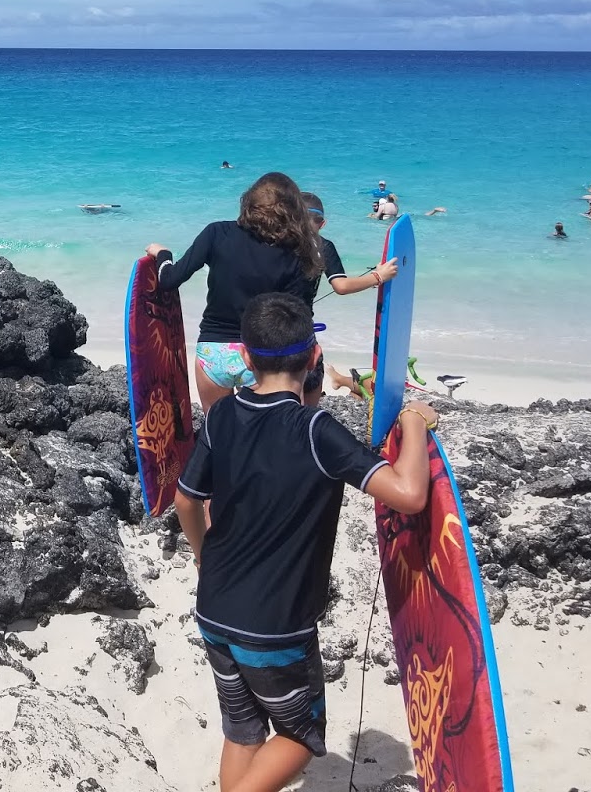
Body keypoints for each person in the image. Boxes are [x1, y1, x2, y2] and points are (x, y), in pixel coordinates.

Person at [174, 292, 436, 792]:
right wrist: (412, 423)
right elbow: (409, 495)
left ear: (245, 357)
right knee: (300, 735)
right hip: (276, 627)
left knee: (244, 729)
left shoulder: (222, 415)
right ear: (315, 356)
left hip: (213, 610)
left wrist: (204, 560)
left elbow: (187, 501)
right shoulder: (316, 431)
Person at [147, 172, 345, 411]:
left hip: (215, 352)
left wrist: (163, 255)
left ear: (248, 202)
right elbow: (295, 311)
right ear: (294, 211)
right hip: (265, 354)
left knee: (217, 431)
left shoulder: (216, 233)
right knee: (265, 433)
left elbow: (169, 280)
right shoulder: (298, 249)